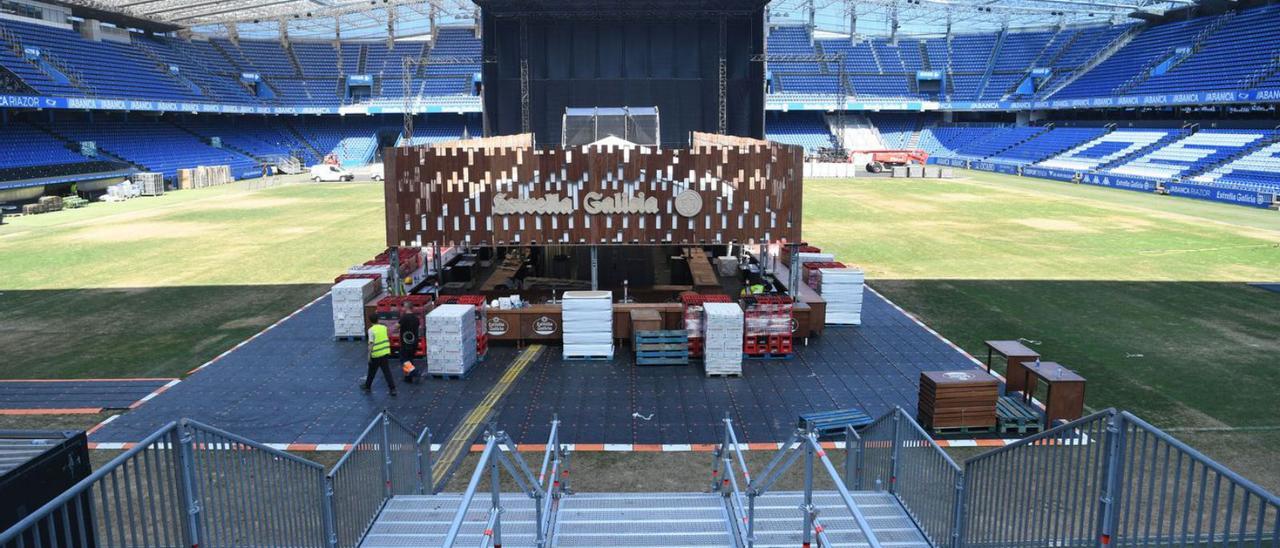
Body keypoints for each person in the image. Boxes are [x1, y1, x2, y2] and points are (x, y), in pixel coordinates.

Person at [362, 313, 397, 396]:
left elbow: (371, 344)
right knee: (386, 371)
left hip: (376, 354)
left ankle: (367, 386)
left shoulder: (371, 330)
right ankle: (392, 389)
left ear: (370, 321)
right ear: (378, 320)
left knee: (371, 371)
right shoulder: (384, 328)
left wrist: (369, 355)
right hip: (385, 352)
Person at [397, 302, 422, 384]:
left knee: (403, 359)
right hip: (414, 342)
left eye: (403, 307)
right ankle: (408, 377)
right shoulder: (416, 318)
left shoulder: (404, 318)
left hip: (405, 342)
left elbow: (397, 326)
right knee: (410, 359)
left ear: (406, 308)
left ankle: (414, 372)